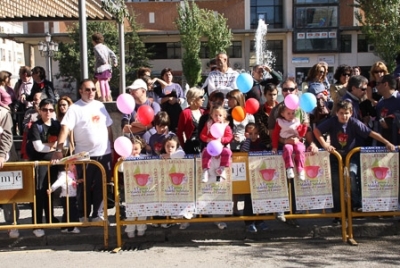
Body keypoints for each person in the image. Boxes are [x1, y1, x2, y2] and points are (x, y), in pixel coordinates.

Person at [314, 100, 395, 219]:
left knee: (352, 176)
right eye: (341, 113)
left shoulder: (354, 122)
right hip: (336, 157)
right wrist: (325, 145)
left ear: (351, 113)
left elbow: (370, 133)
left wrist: (387, 142)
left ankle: (356, 206)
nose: (344, 116)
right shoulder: (332, 121)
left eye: (346, 113)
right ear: (337, 113)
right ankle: (338, 213)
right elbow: (317, 130)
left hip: (351, 156)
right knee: (336, 183)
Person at [51, 79, 114, 223]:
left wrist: (111, 146)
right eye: (87, 89)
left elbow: (108, 127)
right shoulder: (75, 108)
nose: (91, 92)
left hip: (103, 153)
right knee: (83, 185)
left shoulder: (100, 105)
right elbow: (65, 128)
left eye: (93, 89)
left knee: (101, 185)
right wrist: (58, 149)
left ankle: (98, 214)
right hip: (84, 155)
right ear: (80, 91)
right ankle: (83, 214)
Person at [26, 98, 61, 237]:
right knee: (39, 192)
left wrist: (55, 147)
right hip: (39, 163)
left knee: (49, 191)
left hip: (53, 163)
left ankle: (50, 218)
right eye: (45, 109)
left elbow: (62, 144)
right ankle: (37, 223)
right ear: (40, 111)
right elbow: (38, 147)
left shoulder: (56, 125)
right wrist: (53, 147)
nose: (48, 112)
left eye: (51, 110)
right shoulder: (35, 126)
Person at [240, 123, 269, 232]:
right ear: (246, 134)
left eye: (256, 133)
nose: (253, 136)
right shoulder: (245, 144)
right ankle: (249, 222)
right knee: (249, 200)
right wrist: (247, 139)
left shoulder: (261, 144)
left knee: (261, 198)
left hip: (260, 176)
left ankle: (260, 220)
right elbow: (244, 151)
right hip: (248, 176)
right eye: (250, 133)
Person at [119, 136, 148, 238]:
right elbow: (120, 170)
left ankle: (141, 228)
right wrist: (122, 160)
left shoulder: (144, 158)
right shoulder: (125, 159)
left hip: (142, 189)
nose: (134, 151)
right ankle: (130, 229)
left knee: (142, 209)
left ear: (141, 149)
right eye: (131, 149)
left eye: (136, 149)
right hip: (130, 189)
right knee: (130, 210)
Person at [271, 105, 308, 181]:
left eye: (293, 113)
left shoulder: (297, 121)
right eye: (288, 113)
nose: (291, 115)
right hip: (286, 141)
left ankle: (300, 169)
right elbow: (275, 134)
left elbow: (301, 134)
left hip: (297, 141)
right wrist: (275, 147)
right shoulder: (280, 122)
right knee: (288, 148)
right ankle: (289, 168)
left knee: (300, 149)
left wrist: (304, 126)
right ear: (282, 114)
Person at [0, 105, 20, 238]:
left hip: (5, 160)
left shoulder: (3, 113)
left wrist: (1, 154)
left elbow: (7, 135)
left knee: (8, 193)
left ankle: (12, 224)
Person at [200, 105, 233, 183]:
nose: (218, 117)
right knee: (205, 151)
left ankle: (222, 169)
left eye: (220, 115)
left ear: (224, 116)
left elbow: (230, 137)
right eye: (215, 115)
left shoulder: (226, 127)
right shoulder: (208, 125)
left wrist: (222, 139)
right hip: (211, 149)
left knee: (228, 152)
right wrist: (207, 139)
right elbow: (202, 135)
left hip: (221, 148)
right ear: (211, 115)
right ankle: (205, 171)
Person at [122, 79, 160, 144]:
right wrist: (148, 126)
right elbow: (125, 129)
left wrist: (133, 124)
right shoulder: (129, 108)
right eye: (130, 90)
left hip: (153, 145)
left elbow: (156, 123)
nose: (131, 92)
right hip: (136, 148)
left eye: (134, 90)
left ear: (143, 91)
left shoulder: (154, 105)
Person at [47, 164, 80, 234]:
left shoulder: (71, 174)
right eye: (72, 165)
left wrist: (78, 181)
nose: (74, 166)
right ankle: (71, 227)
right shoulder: (63, 176)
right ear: (66, 167)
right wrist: (51, 189)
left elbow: (72, 181)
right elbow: (57, 183)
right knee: (72, 212)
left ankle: (64, 227)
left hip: (72, 196)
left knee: (67, 213)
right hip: (66, 197)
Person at [154, 68, 184, 133]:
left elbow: (182, 98)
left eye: (170, 74)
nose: (168, 76)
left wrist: (176, 100)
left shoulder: (177, 86)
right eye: (166, 75)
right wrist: (168, 98)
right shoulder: (158, 88)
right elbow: (158, 100)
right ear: (163, 76)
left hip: (176, 111)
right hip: (165, 112)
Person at [177, 87, 205, 155]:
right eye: (201, 97)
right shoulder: (185, 113)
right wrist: (184, 147)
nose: (203, 99)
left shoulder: (204, 112)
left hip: (204, 146)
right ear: (193, 99)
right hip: (190, 148)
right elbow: (179, 132)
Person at [92, 32, 118, 102]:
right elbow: (112, 53)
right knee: (106, 82)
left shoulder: (96, 48)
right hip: (108, 68)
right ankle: (107, 96)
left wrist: (104, 61)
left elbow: (100, 55)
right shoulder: (105, 47)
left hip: (101, 68)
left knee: (101, 82)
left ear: (94, 40)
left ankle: (103, 97)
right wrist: (115, 61)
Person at [375, 74, 400, 144]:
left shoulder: (399, 99)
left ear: (385, 84)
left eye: (378, 83)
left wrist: (391, 121)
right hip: (384, 147)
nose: (376, 87)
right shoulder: (380, 103)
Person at [253, 83, 279, 150]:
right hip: (265, 143)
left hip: (280, 141)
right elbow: (260, 127)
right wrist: (270, 141)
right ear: (265, 95)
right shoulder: (260, 110)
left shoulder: (281, 109)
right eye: (270, 94)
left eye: (274, 94)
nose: (272, 97)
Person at [20, 92, 42, 160]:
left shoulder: (48, 112)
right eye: (33, 100)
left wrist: (39, 112)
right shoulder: (29, 112)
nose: (34, 102)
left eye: (36, 99)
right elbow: (25, 127)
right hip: (30, 141)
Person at [14, 66, 34, 135]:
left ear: (25, 74)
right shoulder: (20, 83)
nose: (19, 76)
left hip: (31, 109)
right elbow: (17, 96)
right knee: (21, 128)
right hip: (21, 109)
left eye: (20, 74)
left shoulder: (34, 83)